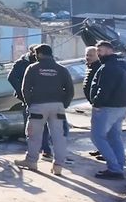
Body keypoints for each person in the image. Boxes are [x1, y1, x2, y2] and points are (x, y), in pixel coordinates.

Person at [14, 44, 73, 175]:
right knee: (59, 137)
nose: (35, 56)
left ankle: (31, 161)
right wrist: (64, 104)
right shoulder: (62, 69)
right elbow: (70, 90)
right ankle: (58, 166)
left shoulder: (32, 68)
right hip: (57, 106)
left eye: (36, 54)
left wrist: (30, 104)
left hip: (38, 106)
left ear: (40, 54)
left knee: (34, 135)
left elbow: (25, 89)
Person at [88, 40, 126, 180]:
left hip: (107, 108)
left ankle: (114, 169)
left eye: (100, 51)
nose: (98, 54)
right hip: (121, 107)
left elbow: (104, 89)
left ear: (108, 50)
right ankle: (119, 166)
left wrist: (97, 103)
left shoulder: (108, 67)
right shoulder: (123, 64)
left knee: (97, 137)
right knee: (114, 138)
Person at [83, 46, 105, 161]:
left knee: (102, 130)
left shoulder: (99, 68)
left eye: (91, 55)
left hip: (100, 105)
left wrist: (96, 101)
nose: (88, 57)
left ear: (97, 56)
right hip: (94, 104)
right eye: (87, 55)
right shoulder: (91, 66)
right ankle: (101, 149)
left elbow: (101, 87)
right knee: (97, 130)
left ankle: (106, 152)